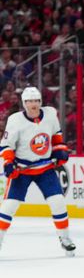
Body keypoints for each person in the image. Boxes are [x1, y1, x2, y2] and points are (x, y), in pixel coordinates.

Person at [0, 86, 75, 255]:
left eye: (36, 101)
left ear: (40, 102)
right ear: (24, 104)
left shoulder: (50, 114)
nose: (33, 104)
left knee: (58, 202)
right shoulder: (15, 120)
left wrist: (60, 150)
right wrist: (9, 163)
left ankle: (65, 238)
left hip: (45, 169)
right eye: (29, 101)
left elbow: (56, 136)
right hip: (22, 169)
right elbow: (6, 145)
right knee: (9, 206)